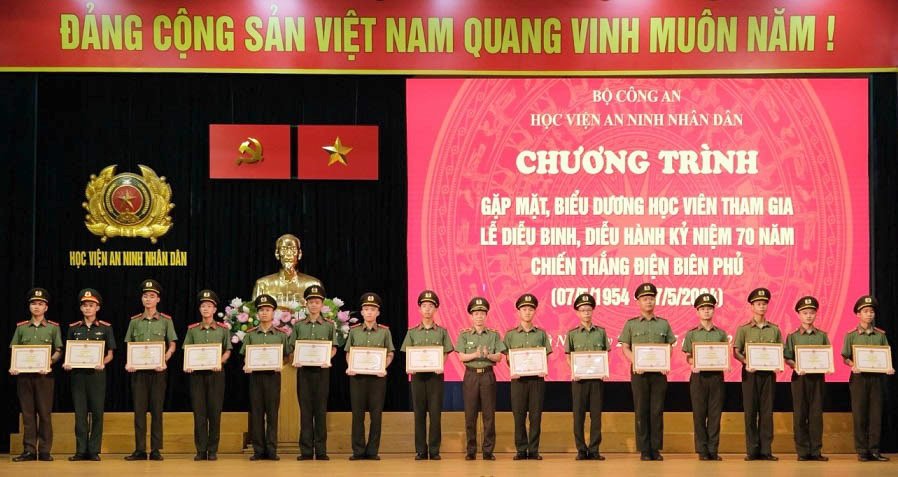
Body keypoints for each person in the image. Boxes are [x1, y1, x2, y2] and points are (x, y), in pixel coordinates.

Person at [618, 282, 675, 461]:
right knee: (641, 410)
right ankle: (644, 449)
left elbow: (669, 346)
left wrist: (665, 361)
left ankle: (655, 449)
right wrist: (636, 361)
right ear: (638, 302)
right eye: (645, 299)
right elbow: (625, 347)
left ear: (655, 300)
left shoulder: (663, 324)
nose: (648, 301)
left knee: (657, 411)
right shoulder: (631, 324)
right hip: (639, 373)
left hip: (659, 374)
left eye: (651, 298)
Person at [123, 279, 177, 461]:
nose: (148, 299)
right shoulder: (134, 322)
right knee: (139, 412)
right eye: (145, 296)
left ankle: (155, 449)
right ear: (142, 299)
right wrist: (129, 362)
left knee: (156, 411)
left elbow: (172, 344)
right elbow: (129, 345)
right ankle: (139, 449)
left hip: (158, 371)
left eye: (152, 296)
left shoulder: (166, 321)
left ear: (158, 299)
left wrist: (165, 359)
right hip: (138, 373)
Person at [10, 288, 62, 462]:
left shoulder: (53, 328)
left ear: (46, 307)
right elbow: (15, 350)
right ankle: (29, 450)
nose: (37, 307)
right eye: (33, 303)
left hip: (44, 377)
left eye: (40, 304)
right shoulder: (21, 328)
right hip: (24, 377)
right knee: (28, 414)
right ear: (29, 306)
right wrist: (14, 366)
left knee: (45, 414)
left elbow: (59, 351)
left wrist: (49, 362)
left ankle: (45, 450)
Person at [400, 290, 454, 460]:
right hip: (417, 377)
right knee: (419, 414)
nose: (428, 309)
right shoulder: (412, 332)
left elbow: (446, 352)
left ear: (435, 309)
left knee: (435, 414)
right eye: (424, 306)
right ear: (419, 309)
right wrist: (409, 366)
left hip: (435, 377)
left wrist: (440, 365)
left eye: (431, 306)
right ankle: (421, 450)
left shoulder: (442, 331)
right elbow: (408, 352)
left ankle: (434, 450)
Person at [841, 295, 895, 462]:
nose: (869, 314)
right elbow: (845, 357)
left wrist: (888, 367)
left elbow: (886, 355)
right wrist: (852, 365)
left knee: (876, 414)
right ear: (858, 314)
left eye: (871, 311)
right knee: (860, 414)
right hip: (859, 378)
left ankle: (875, 450)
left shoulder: (880, 335)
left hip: (877, 379)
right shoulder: (851, 335)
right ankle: (862, 450)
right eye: (865, 311)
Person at [64, 288, 115, 461]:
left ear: (97, 308)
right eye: (85, 305)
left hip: (97, 375)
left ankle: (93, 450)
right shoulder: (73, 328)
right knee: (80, 414)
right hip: (78, 376)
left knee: (97, 413)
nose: (88, 308)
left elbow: (110, 354)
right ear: (81, 308)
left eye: (91, 305)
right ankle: (80, 450)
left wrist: (103, 362)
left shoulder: (106, 328)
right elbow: (69, 352)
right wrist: (68, 363)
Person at [733, 287, 782, 461]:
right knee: (750, 412)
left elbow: (779, 350)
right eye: (758, 304)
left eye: (764, 304)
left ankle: (766, 450)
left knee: (767, 412)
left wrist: (777, 363)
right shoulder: (744, 329)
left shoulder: (774, 329)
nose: (761, 306)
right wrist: (746, 362)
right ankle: (752, 450)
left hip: (768, 375)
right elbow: (736, 351)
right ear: (752, 306)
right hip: (750, 374)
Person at [345, 293, 394, 460]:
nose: (369, 312)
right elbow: (348, 352)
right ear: (362, 312)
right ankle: (358, 451)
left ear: (378, 312)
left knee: (376, 415)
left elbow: (390, 353)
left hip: (377, 378)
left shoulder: (385, 332)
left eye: (372, 309)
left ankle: (372, 451)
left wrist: (383, 367)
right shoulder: (354, 331)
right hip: (357, 377)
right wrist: (350, 366)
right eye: (366, 309)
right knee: (357, 415)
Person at [291, 285, 338, 461]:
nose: (313, 305)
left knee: (320, 410)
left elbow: (334, 347)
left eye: (317, 302)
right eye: (311, 302)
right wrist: (295, 358)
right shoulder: (298, 326)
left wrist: (328, 358)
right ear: (306, 304)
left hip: (322, 372)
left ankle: (321, 450)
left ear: (322, 304)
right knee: (305, 411)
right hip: (303, 372)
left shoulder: (329, 325)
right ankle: (305, 450)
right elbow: (292, 347)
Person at [184, 289, 232, 461]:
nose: (206, 309)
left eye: (209, 306)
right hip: (197, 376)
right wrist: (188, 365)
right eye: (203, 306)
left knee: (214, 412)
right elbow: (187, 350)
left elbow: (228, 350)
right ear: (200, 309)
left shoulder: (223, 329)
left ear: (214, 309)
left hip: (215, 375)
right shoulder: (192, 330)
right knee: (199, 413)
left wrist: (220, 362)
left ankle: (212, 450)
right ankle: (200, 450)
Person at [242, 294, 291, 461]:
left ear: (273, 313)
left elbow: (287, 356)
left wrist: (281, 364)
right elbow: (246, 354)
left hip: (272, 377)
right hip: (255, 378)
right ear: (257, 313)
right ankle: (258, 450)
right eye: (261, 310)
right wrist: (247, 364)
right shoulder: (250, 334)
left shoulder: (281, 335)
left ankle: (271, 449)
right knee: (256, 414)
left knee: (272, 414)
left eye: (268, 310)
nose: (264, 313)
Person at [455, 297, 505, 460]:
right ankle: (471, 450)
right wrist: (475, 354)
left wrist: (488, 355)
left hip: (487, 375)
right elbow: (461, 357)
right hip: (470, 376)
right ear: (471, 316)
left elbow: (499, 357)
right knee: (470, 415)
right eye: (476, 314)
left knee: (489, 416)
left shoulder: (493, 335)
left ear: (486, 315)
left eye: (482, 313)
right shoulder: (464, 335)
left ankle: (488, 451)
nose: (479, 317)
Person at [503, 293, 551, 460]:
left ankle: (534, 450)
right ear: (518, 312)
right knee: (519, 415)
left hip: (537, 380)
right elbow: (507, 356)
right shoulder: (510, 335)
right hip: (518, 380)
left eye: (530, 309)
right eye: (524, 309)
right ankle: (521, 449)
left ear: (535, 311)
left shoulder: (541, 334)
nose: (527, 312)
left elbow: (546, 355)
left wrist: (542, 367)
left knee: (536, 416)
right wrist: (513, 366)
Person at [681, 293, 727, 461]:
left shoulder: (721, 334)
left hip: (716, 377)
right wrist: (692, 361)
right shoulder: (692, 334)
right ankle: (702, 450)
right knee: (699, 414)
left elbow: (724, 355)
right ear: (697, 312)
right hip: (698, 377)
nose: (706, 311)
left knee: (715, 414)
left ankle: (713, 449)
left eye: (709, 308)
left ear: (713, 311)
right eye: (703, 309)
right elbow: (688, 355)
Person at [784, 296, 829, 461]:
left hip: (817, 379)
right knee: (800, 414)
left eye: (811, 312)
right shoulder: (792, 336)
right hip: (800, 379)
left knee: (816, 415)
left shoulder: (822, 335)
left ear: (816, 314)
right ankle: (802, 451)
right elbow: (787, 357)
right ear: (799, 315)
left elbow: (827, 356)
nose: (808, 316)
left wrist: (828, 366)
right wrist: (795, 365)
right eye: (805, 313)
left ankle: (816, 451)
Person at [565, 293, 608, 461]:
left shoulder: (601, 332)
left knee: (596, 416)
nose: (586, 313)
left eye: (589, 309)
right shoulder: (572, 334)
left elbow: (605, 354)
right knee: (578, 416)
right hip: (579, 380)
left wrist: (603, 369)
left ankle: (594, 449)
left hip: (596, 380)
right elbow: (568, 356)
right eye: (583, 310)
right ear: (577, 312)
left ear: (593, 311)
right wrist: (575, 370)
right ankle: (581, 449)